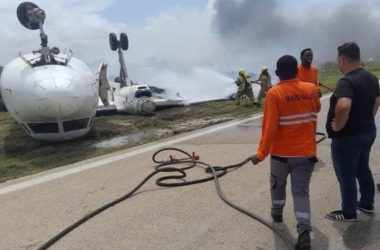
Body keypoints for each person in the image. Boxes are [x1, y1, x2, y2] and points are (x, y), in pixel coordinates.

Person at [251, 55, 321, 250]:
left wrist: (261, 154)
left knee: (277, 186)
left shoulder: (274, 94)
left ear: (277, 74)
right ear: (297, 71)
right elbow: (317, 107)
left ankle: (277, 213)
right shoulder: (312, 90)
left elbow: (269, 128)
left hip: (281, 155)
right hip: (305, 155)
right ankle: (305, 231)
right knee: (301, 193)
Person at [325, 42, 380, 222]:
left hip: (348, 138)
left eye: (338, 60)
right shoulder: (371, 77)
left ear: (343, 59)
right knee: (362, 168)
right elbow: (377, 100)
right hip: (368, 132)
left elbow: (344, 104)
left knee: (346, 174)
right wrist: (369, 117)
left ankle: (348, 213)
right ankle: (366, 203)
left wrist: (338, 126)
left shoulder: (346, 81)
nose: (338, 64)